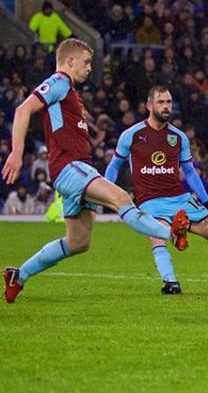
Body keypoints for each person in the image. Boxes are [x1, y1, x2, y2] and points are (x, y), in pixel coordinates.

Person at [2, 39, 189, 304]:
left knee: (78, 242)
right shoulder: (58, 82)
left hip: (77, 169)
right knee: (121, 198)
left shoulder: (72, 94)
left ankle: (18, 276)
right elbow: (23, 110)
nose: (90, 68)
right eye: (87, 62)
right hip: (69, 168)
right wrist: (17, 152)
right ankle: (170, 233)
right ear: (70, 61)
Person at [105, 85, 208, 295]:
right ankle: (170, 283)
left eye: (168, 102)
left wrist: (206, 201)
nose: (166, 107)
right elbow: (114, 166)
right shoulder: (132, 135)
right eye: (161, 102)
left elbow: (190, 173)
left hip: (180, 199)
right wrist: (106, 193)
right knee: (156, 235)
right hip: (150, 201)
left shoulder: (178, 137)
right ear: (149, 106)